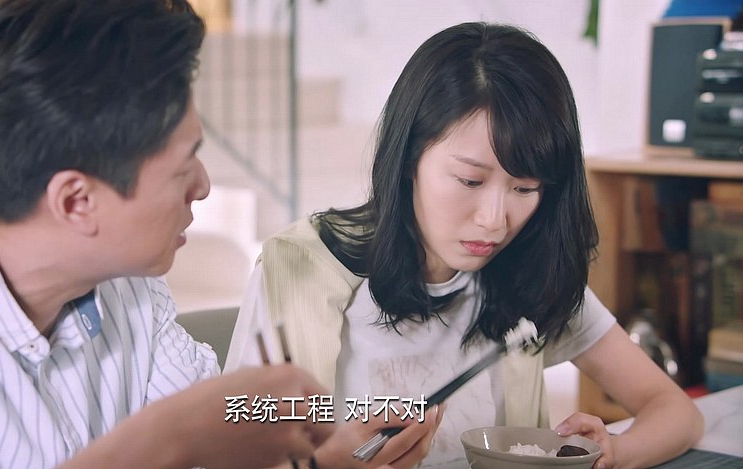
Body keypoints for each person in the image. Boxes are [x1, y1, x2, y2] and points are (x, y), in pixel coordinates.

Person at [0, 0, 441, 468]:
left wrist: (327, 455)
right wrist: (170, 436)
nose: (203, 186)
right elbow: (192, 431)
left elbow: (223, 434)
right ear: (76, 201)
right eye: (184, 166)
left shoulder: (130, 288)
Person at [225, 22, 705, 469]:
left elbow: (675, 411)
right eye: (470, 180)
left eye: (525, 188)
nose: (495, 221)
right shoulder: (304, 269)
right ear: (409, 157)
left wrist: (611, 453)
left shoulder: (528, 271)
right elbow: (236, 446)